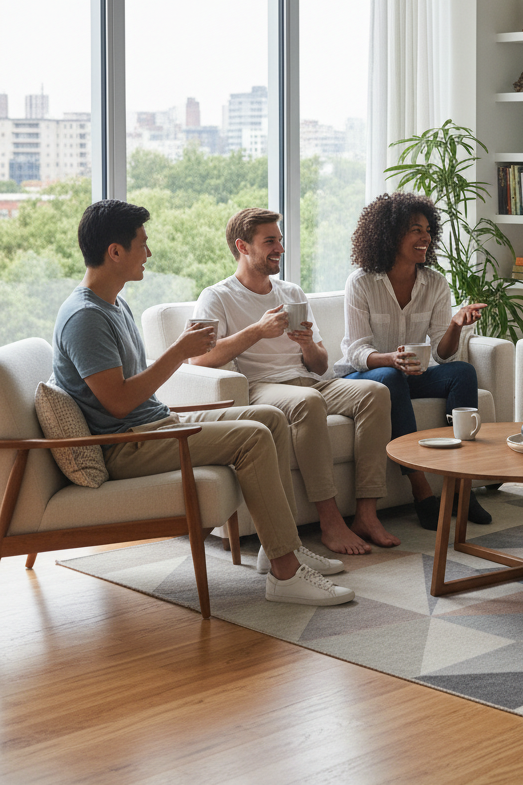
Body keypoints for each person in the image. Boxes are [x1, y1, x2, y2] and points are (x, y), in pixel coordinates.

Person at [53, 200, 353, 607]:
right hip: (128, 444)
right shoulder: (85, 317)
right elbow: (119, 403)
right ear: (115, 252)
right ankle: (285, 576)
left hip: (154, 425)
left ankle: (282, 549)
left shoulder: (115, 304)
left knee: (269, 418)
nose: (149, 253)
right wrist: (179, 351)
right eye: (143, 244)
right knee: (252, 437)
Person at [191, 208, 396, 555]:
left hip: (309, 381)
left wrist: (306, 345)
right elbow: (199, 360)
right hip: (261, 386)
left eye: (280, 240)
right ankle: (330, 521)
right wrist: (257, 331)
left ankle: (366, 514)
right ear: (242, 246)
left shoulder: (292, 292)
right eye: (270, 241)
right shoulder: (217, 296)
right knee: (308, 402)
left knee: (375, 392)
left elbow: (320, 364)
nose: (280, 249)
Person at [336, 193, 489, 531]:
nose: (426, 238)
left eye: (428, 230)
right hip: (363, 376)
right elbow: (357, 351)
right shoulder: (361, 282)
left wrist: (455, 325)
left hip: (409, 374)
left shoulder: (435, 283)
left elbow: (443, 354)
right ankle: (422, 492)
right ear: (391, 235)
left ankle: (460, 485)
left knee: (462, 372)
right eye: (415, 230)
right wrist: (391, 359)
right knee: (391, 377)